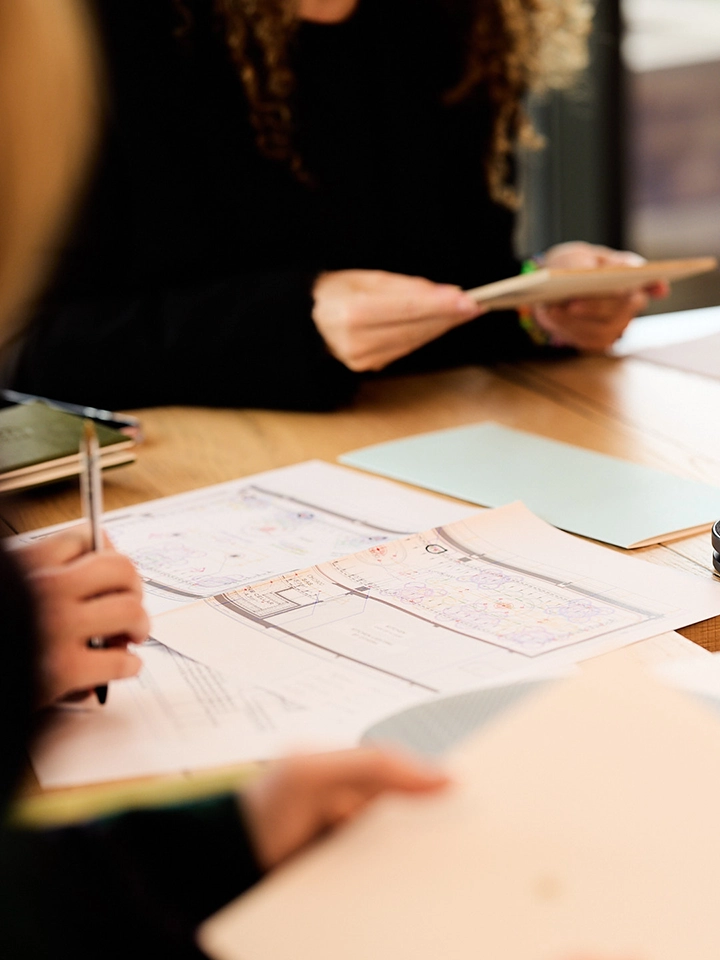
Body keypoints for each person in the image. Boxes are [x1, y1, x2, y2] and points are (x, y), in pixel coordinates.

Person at [0, 2, 448, 957]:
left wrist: (541, 303)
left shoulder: (449, 29)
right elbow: (42, 338)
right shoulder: (104, 43)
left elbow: (458, 276)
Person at [11, 0, 666, 412]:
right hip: (177, 485)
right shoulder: (91, 31)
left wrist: (538, 305)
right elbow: (27, 347)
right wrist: (296, 320)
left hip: (406, 458)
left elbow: (446, 291)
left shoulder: (464, 21)